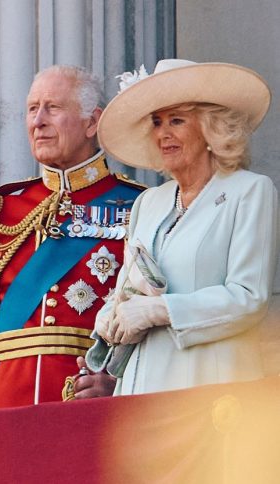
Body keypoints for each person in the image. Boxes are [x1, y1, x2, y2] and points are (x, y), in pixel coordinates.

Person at [0, 65, 146, 413]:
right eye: (32, 109)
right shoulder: (3, 208)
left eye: (53, 108)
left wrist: (122, 383)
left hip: (84, 397)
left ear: (93, 123)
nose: (38, 121)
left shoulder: (138, 205)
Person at [94, 59, 278, 395]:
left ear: (211, 129)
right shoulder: (148, 203)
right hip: (142, 385)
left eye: (176, 120)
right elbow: (127, 286)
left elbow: (249, 297)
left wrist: (159, 310)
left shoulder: (249, 191)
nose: (163, 133)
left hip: (210, 385)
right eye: (157, 122)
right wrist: (111, 316)